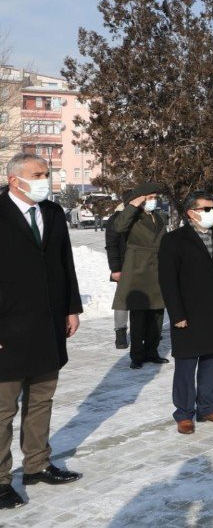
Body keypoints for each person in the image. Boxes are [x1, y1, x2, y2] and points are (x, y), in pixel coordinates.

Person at [0, 154, 83, 510]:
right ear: (14, 179)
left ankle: (37, 464)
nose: (45, 180)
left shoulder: (51, 213)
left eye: (46, 174)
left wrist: (72, 307)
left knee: (41, 400)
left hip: (47, 326)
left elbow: (65, 262)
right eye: (38, 175)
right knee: (3, 410)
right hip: (8, 329)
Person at [158, 191, 213, 434]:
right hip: (189, 313)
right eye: (206, 209)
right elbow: (168, 280)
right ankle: (184, 414)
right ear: (191, 213)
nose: (212, 213)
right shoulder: (174, 240)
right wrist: (177, 314)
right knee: (186, 365)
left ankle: (207, 407)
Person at [112, 182, 169, 369]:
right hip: (138, 269)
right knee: (139, 316)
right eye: (150, 198)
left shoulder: (158, 217)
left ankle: (152, 351)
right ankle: (137, 355)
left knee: (157, 315)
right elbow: (119, 227)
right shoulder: (132, 216)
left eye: (155, 197)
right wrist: (133, 205)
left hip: (158, 269)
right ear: (141, 199)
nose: (154, 201)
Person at [105, 202, 130, 349]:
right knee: (123, 300)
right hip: (123, 267)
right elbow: (111, 245)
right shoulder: (116, 219)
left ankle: (149, 331)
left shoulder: (141, 217)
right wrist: (115, 269)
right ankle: (120, 332)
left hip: (143, 266)